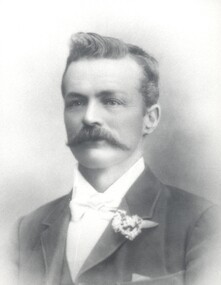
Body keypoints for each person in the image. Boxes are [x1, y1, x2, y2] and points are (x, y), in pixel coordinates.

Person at [5, 32, 221, 285]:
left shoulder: (200, 224)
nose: (89, 117)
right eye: (76, 102)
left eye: (112, 101)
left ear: (149, 119)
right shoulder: (26, 230)